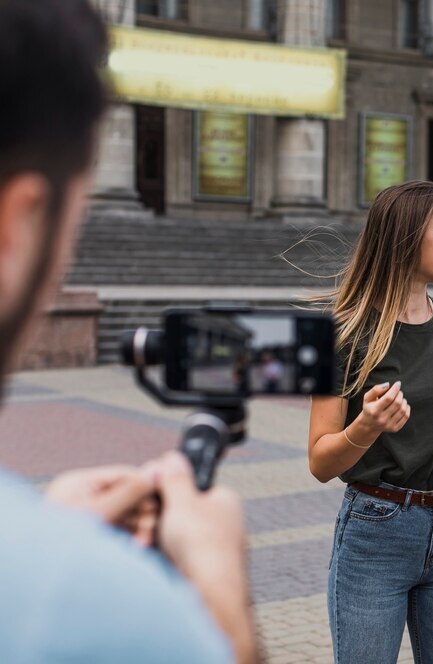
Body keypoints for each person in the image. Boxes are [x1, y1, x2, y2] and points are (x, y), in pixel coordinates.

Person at [0, 1, 257, 661]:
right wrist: (221, 595)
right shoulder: (94, 607)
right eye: (77, 218)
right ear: (16, 228)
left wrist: (42, 530)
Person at [308, 180, 433, 663]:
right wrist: (365, 428)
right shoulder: (342, 331)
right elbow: (319, 461)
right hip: (376, 532)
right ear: (407, 236)